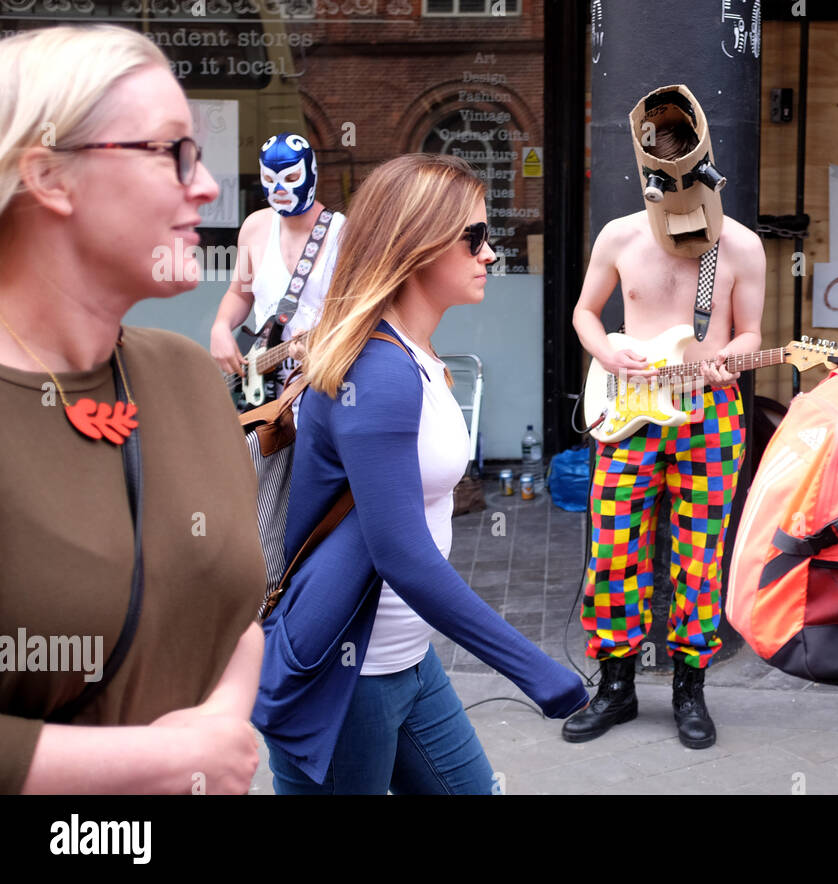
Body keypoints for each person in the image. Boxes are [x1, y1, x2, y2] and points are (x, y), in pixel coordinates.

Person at [253, 153, 589, 794]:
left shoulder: (415, 353)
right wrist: (539, 670)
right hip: (346, 679)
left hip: (404, 657)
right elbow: (401, 557)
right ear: (416, 246)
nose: (491, 253)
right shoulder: (376, 373)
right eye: (474, 238)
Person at [0, 25, 265, 794]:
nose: (209, 185)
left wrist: (221, 719)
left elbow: (234, 609)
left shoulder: (184, 377)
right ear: (48, 175)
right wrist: (161, 763)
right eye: (172, 151)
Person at [566, 84, 766, 749]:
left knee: (700, 556)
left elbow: (749, 333)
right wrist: (608, 353)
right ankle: (616, 686)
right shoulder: (620, 236)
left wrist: (727, 359)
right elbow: (584, 314)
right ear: (650, 185)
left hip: (709, 414)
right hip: (631, 410)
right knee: (613, 549)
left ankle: (690, 689)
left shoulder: (739, 247)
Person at [209, 132, 345, 402]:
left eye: (292, 178)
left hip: (326, 386)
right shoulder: (255, 227)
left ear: (311, 172)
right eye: (270, 180)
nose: (280, 190)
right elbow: (239, 293)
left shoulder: (344, 234)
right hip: (265, 393)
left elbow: (362, 311)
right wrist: (221, 327)